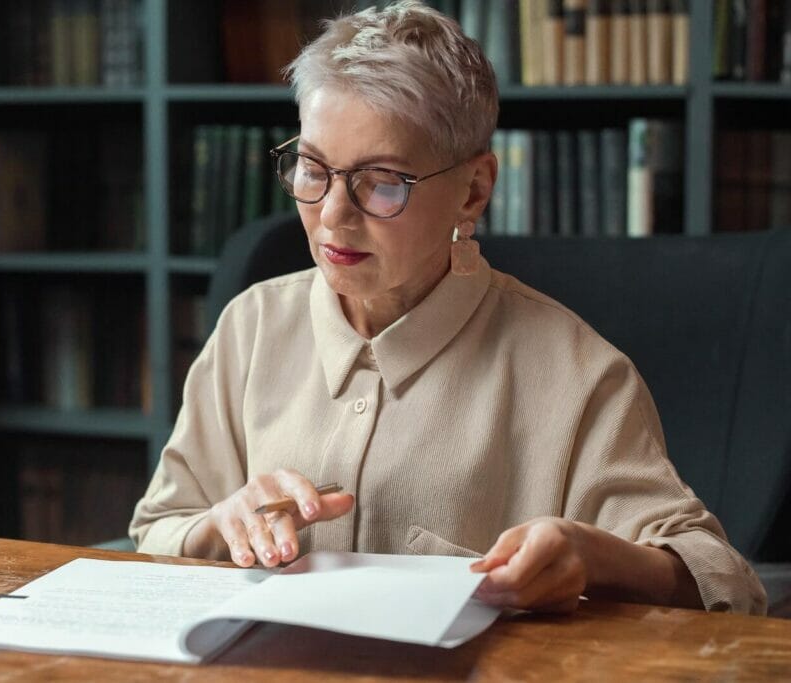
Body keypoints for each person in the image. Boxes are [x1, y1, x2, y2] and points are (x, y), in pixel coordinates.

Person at [130, 1, 766, 615]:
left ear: (474, 191)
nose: (332, 216)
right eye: (312, 167)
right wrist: (218, 524)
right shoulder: (252, 327)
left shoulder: (576, 373)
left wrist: (597, 559)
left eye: (382, 182)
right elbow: (155, 531)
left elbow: (725, 581)